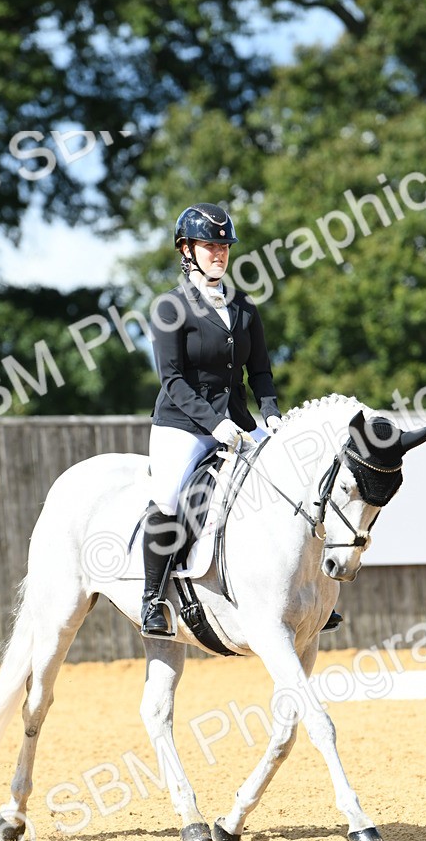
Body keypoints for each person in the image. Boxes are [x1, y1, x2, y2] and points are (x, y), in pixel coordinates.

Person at [140, 201, 343, 636]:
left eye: (224, 246)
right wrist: (213, 425)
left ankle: (306, 590)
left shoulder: (244, 305)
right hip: (182, 423)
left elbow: (261, 372)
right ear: (186, 249)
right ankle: (153, 599)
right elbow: (173, 380)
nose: (218, 253)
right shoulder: (169, 308)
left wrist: (271, 417)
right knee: (170, 497)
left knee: (292, 485)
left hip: (239, 418)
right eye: (209, 245)